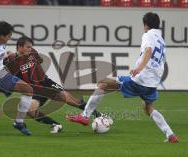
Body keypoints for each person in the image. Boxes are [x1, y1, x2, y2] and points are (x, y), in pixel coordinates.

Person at [67, 12, 178, 143]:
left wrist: (139, 68)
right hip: (152, 83)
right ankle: (170, 135)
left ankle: (85, 116)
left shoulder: (148, 35)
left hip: (140, 79)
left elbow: (148, 51)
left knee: (102, 83)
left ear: (145, 25)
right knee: (148, 109)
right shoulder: (161, 40)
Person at [4, 36, 105, 134]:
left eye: (31, 46)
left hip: (46, 83)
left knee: (72, 100)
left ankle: (98, 114)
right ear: (20, 47)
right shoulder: (12, 61)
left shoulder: (33, 53)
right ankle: (56, 124)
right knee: (30, 110)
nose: (31, 49)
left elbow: (40, 60)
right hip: (33, 90)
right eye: (28, 47)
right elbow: (8, 76)